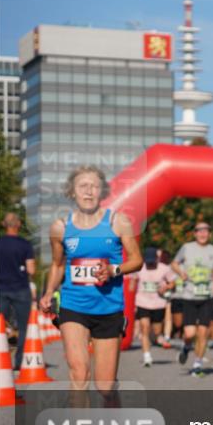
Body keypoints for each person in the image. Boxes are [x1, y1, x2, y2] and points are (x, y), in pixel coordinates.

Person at [39, 166, 143, 394]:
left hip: (108, 308)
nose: (88, 191)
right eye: (82, 186)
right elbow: (57, 265)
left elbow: (137, 260)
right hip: (73, 306)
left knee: (105, 386)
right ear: (72, 191)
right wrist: (48, 292)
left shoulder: (118, 222)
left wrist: (114, 269)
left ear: (102, 191)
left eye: (94, 186)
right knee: (79, 371)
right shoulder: (61, 227)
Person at [172, 222, 213, 377]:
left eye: (206, 231)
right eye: (200, 232)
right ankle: (186, 347)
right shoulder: (187, 248)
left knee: (203, 332)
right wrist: (181, 273)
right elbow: (174, 263)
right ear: (195, 234)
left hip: (206, 297)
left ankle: (197, 364)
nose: (203, 234)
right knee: (189, 333)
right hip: (189, 296)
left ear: (210, 234)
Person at [0, 213, 36, 371]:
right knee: (24, 327)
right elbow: (31, 270)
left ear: (3, 224)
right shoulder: (25, 245)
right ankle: (19, 362)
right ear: (18, 224)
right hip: (21, 289)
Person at [133, 247, 176, 367]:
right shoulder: (139, 267)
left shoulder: (164, 269)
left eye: (152, 261)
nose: (150, 263)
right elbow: (132, 283)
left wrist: (166, 287)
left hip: (158, 304)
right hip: (142, 302)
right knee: (145, 328)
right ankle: (147, 356)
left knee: (157, 331)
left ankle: (158, 337)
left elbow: (173, 282)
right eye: (148, 261)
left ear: (157, 259)